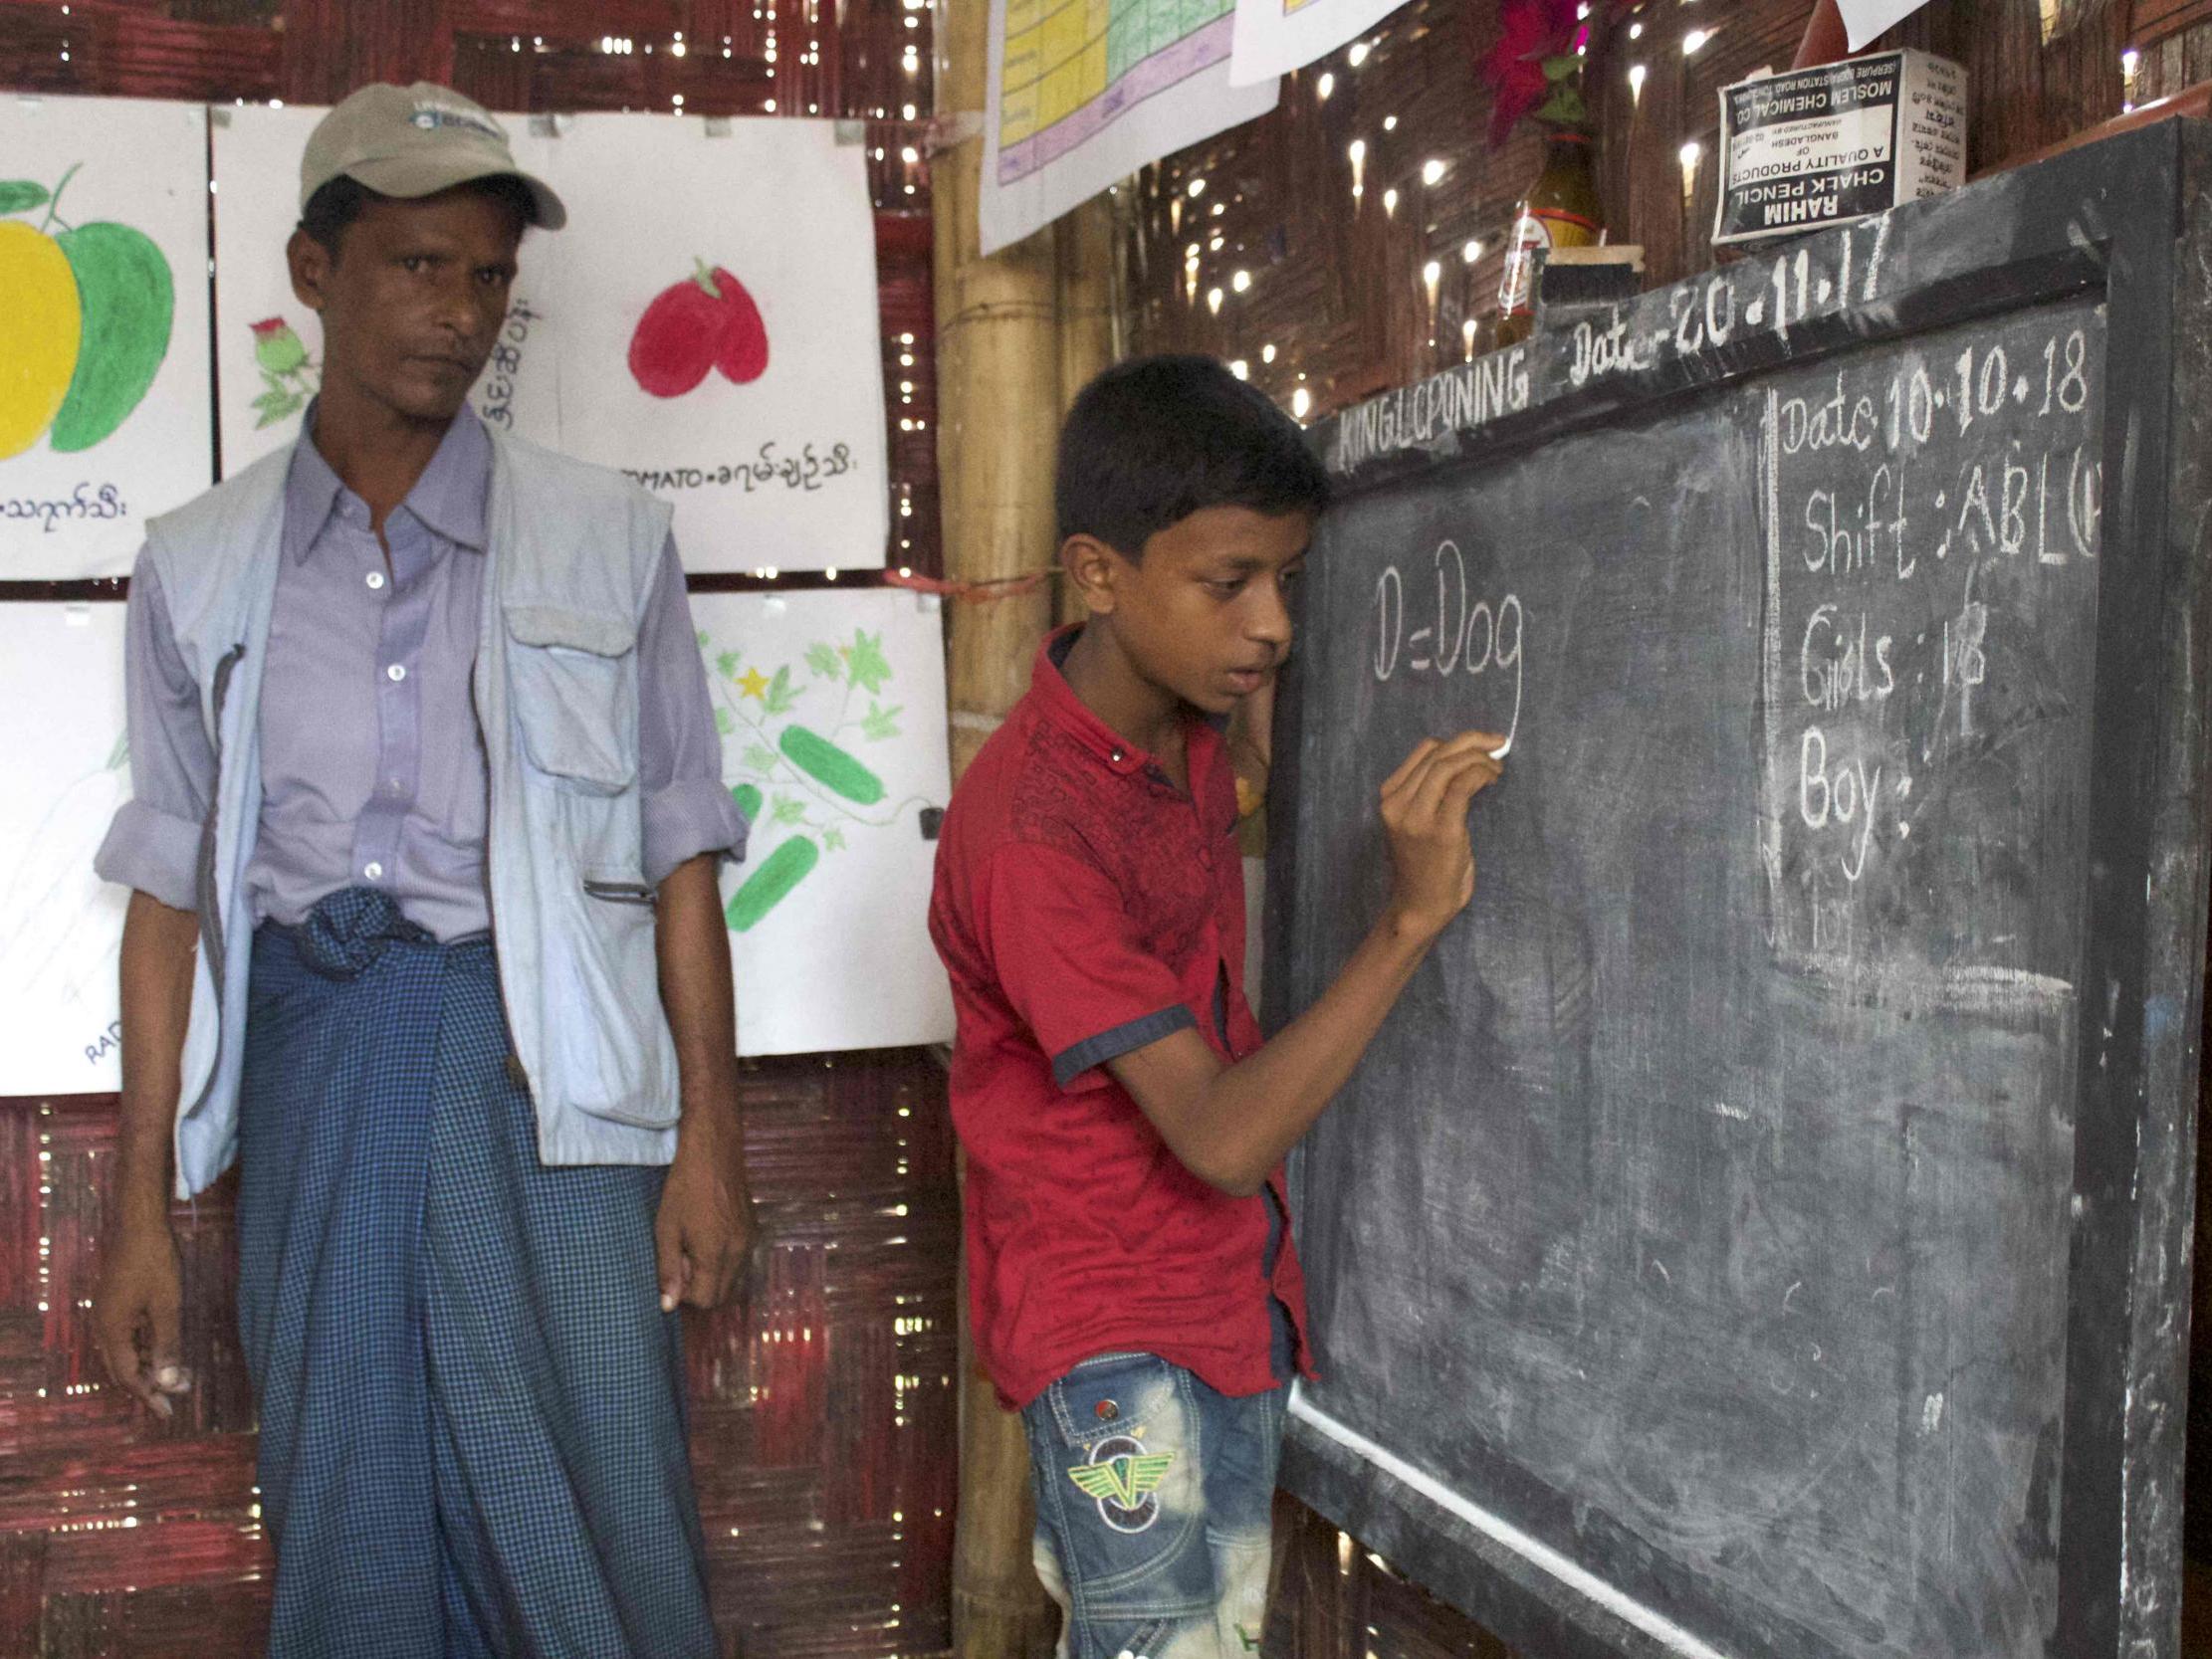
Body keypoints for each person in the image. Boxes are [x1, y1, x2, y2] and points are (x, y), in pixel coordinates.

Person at [91, 82, 752, 1658]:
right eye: (414, 266)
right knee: (348, 1477)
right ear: (316, 272)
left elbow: (677, 855)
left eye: (486, 279)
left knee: (604, 1485)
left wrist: (709, 1146)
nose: (456, 315)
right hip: (320, 1071)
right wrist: (138, 1209)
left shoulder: (608, 538)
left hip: (552, 1084)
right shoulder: (197, 565)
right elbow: (170, 894)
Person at [927, 354, 1505, 1659]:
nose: (1273, 630)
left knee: (1209, 1643)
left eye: (1286, 583)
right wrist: (1408, 921)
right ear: (1096, 572)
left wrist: (1248, 727)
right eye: (1226, 583)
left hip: (1218, 1293)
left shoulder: (1174, 730)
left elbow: (1226, 792)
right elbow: (1221, 1137)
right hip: (1107, 1338)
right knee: (1157, 1648)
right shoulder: (1032, 839)